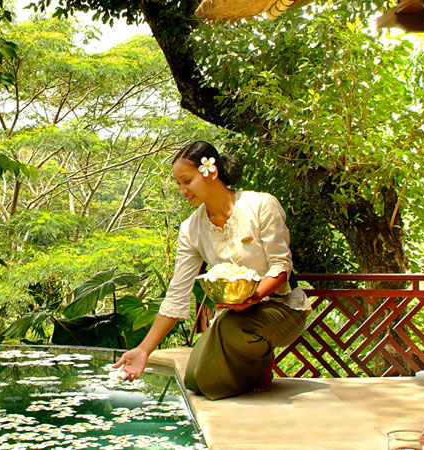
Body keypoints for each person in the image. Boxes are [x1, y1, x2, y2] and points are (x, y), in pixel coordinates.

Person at [112, 140, 311, 400]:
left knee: (226, 347)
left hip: (281, 308)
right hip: (232, 316)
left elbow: (281, 267)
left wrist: (252, 298)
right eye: (178, 184)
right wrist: (143, 350)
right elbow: (177, 295)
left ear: (211, 172)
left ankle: (262, 361)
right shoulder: (190, 229)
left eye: (187, 180)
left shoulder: (261, 205)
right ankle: (251, 364)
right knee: (196, 380)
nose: (182, 190)